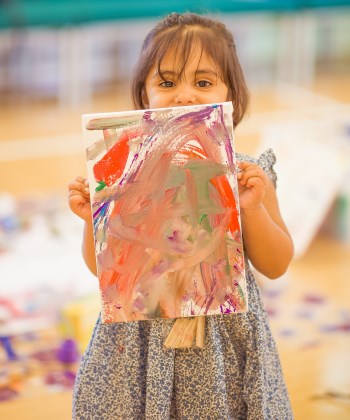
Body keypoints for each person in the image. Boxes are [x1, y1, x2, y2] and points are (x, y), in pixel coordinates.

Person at [68, 12, 294, 419]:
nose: (185, 95)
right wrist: (93, 220)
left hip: (221, 346)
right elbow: (102, 272)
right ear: (144, 95)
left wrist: (253, 208)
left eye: (203, 82)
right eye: (167, 82)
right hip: (140, 343)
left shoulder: (246, 174)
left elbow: (276, 265)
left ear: (232, 97)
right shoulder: (124, 172)